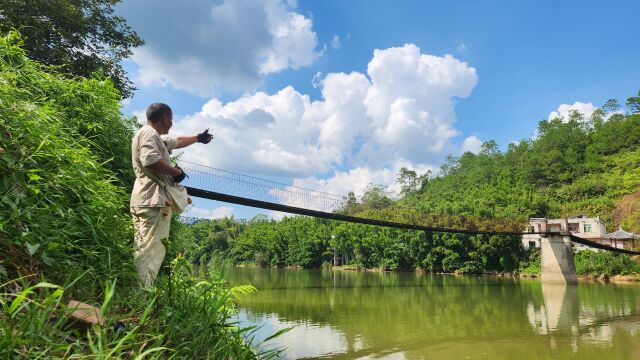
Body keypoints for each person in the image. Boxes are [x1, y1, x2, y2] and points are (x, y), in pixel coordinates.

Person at [130, 103, 213, 288]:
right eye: (172, 118)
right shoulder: (150, 134)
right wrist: (176, 173)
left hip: (143, 199)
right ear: (165, 118)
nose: (172, 122)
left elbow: (177, 141)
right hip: (154, 200)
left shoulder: (151, 135)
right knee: (152, 250)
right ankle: (142, 296)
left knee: (142, 248)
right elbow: (149, 159)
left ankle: (135, 293)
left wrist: (198, 138)